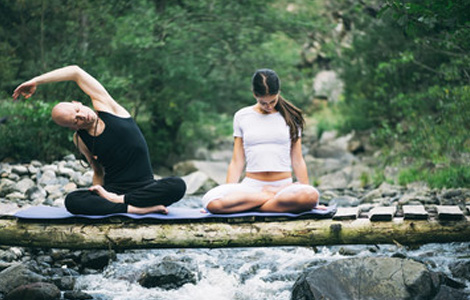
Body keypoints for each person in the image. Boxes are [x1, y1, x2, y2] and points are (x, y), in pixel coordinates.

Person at [13, 65, 186, 215]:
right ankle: (136, 210)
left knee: (178, 185)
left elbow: (75, 72)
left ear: (77, 102)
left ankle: (122, 202)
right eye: (76, 120)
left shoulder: (108, 107)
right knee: (72, 200)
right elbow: (98, 172)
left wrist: (36, 80)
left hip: (145, 189)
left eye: (77, 111)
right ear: (73, 127)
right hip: (113, 190)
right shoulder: (80, 139)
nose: (82, 116)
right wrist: (98, 193)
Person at [202, 69, 321, 214]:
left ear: (278, 93)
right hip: (251, 187)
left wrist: (307, 193)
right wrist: (230, 192)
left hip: (284, 187)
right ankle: (268, 197)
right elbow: (237, 161)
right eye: (263, 103)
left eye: (273, 101)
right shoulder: (242, 116)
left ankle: (253, 206)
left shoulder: (292, 117)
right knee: (213, 203)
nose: (269, 106)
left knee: (310, 196)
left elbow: (297, 159)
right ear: (255, 95)